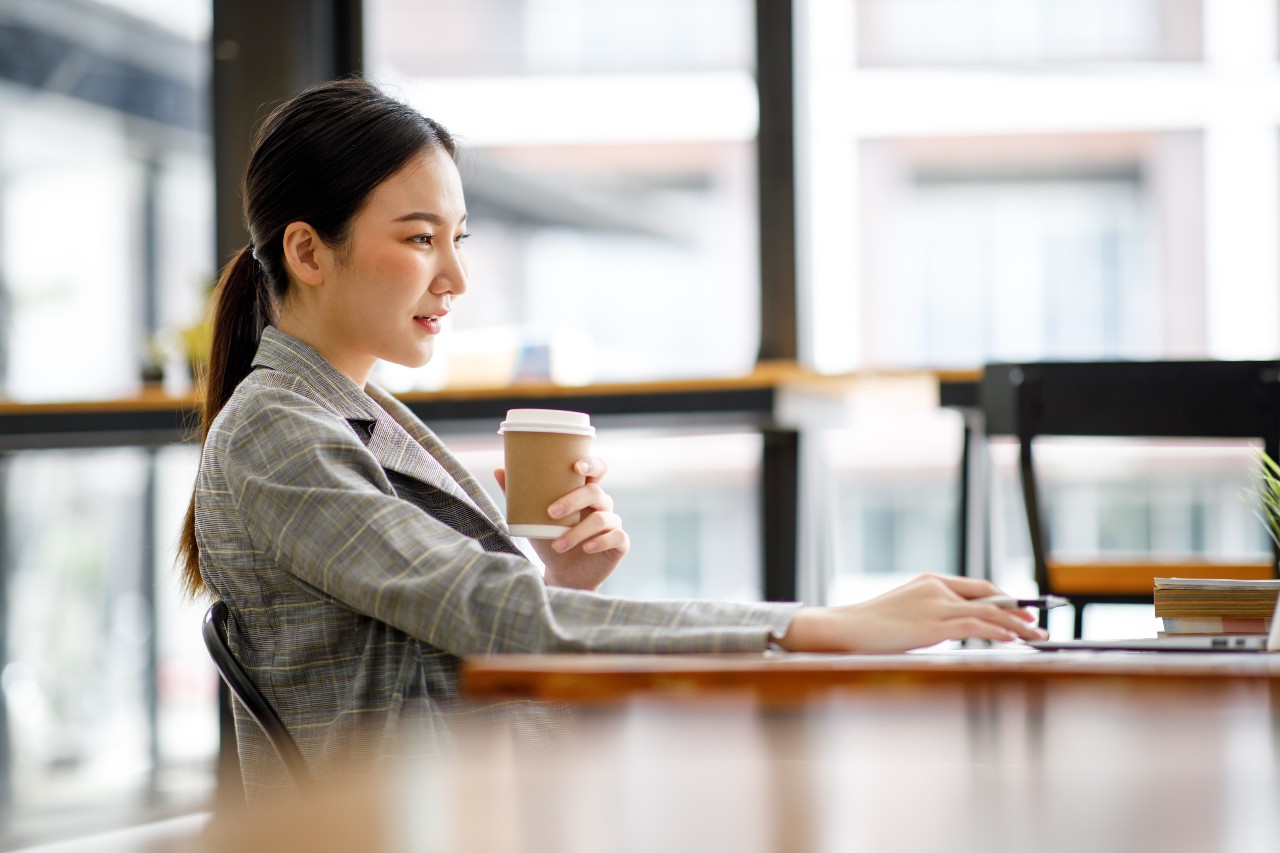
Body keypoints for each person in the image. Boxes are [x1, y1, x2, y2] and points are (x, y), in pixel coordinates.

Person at [179, 78, 1046, 799]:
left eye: (459, 238)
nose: (456, 275)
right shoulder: (277, 432)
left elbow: (462, 619)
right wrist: (817, 626)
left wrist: (564, 577)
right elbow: (483, 610)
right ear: (307, 250)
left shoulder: (342, 413)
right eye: (419, 239)